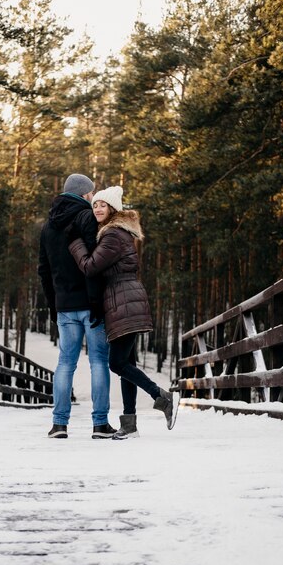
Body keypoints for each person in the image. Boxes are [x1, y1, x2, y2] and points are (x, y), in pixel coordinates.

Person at [66, 185, 177, 439]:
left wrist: (74, 244)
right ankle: (130, 425)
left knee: (117, 363)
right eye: (95, 204)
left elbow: (90, 266)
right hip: (125, 301)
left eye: (102, 205)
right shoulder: (115, 233)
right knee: (128, 363)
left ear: (113, 208)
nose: (97, 208)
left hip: (123, 301)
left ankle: (162, 397)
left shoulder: (113, 235)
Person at [38, 173, 116, 440]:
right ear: (84, 194)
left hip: (64, 305)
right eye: (92, 194)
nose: (94, 198)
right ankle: (100, 424)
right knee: (98, 362)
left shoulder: (48, 226)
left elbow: (43, 271)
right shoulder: (87, 218)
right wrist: (96, 301)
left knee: (65, 364)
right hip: (90, 303)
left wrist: (53, 305)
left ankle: (59, 424)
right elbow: (94, 263)